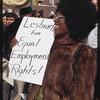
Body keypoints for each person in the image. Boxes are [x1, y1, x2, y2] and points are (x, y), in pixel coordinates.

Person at [42, 0, 97, 100]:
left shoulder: (84, 53)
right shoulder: (49, 45)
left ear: (75, 20)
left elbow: (81, 95)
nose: (55, 20)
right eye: (56, 16)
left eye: (61, 16)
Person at [3, 6, 33, 100]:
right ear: (21, 15)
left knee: (17, 91)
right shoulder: (13, 27)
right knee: (8, 88)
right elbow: (8, 44)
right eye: (24, 15)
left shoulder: (32, 25)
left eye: (28, 15)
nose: (26, 17)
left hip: (25, 63)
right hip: (12, 61)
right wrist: (11, 48)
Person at [2, 12, 18, 100]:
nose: (8, 21)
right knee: (5, 86)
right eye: (7, 19)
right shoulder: (4, 31)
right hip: (6, 61)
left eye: (11, 19)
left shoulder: (18, 32)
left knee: (14, 88)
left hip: (17, 64)